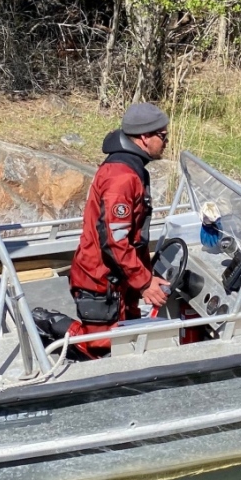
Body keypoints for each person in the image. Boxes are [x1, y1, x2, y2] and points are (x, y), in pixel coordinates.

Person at [64, 103, 173, 358]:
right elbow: (115, 240)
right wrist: (144, 282)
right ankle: (48, 326)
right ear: (145, 137)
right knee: (103, 348)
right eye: (163, 136)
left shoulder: (132, 168)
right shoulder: (122, 178)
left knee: (129, 337)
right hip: (101, 280)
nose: (166, 142)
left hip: (121, 278)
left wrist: (142, 277)